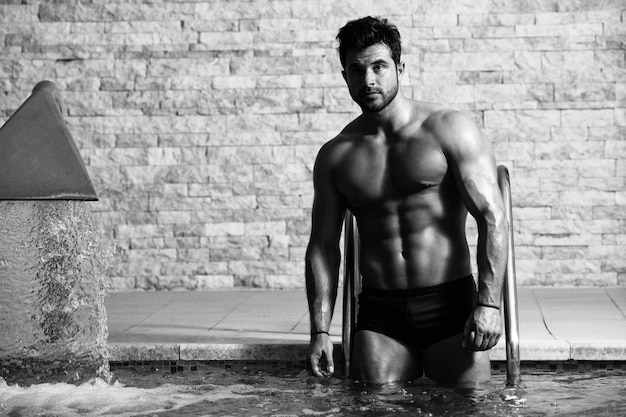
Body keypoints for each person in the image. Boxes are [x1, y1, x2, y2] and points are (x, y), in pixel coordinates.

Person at [305, 16, 508, 386]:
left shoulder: (449, 129)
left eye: (379, 66)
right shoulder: (335, 156)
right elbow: (322, 246)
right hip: (381, 315)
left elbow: (492, 217)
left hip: (451, 307)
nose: (368, 80)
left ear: (400, 67)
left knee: (469, 409)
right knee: (373, 406)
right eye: (356, 69)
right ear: (344, 75)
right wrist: (320, 331)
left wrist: (489, 304)